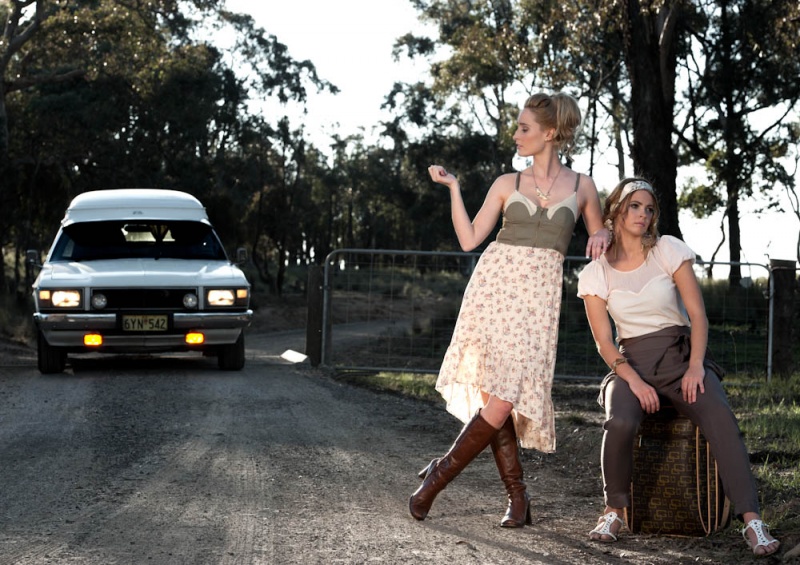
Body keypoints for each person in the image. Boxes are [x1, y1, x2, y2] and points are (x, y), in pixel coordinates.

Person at [409, 92, 610, 527]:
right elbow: (469, 240)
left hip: (537, 304)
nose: (516, 135)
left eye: (524, 128)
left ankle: (436, 477)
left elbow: (601, 233)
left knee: (502, 403)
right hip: (493, 293)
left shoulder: (583, 186)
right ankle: (518, 499)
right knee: (493, 401)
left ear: (550, 133)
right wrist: (454, 188)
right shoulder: (506, 183)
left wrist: (604, 235)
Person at [576, 178, 780, 556]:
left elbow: (698, 316)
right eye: (635, 206)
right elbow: (604, 341)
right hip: (629, 364)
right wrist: (634, 383)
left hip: (680, 356)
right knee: (619, 421)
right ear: (617, 211)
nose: (643, 214)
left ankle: (752, 521)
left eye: (649, 208)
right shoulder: (595, 272)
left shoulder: (668, 250)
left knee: (719, 414)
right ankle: (613, 511)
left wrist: (695, 367)